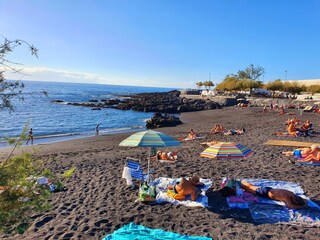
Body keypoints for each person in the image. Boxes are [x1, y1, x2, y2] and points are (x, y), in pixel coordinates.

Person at [220, 179, 308, 209]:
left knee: (249, 187)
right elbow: (290, 206)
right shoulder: (287, 197)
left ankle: (235, 183)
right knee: (248, 189)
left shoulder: (291, 193)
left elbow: (300, 201)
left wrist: (303, 202)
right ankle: (232, 186)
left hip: (269, 190)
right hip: (266, 192)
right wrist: (302, 206)